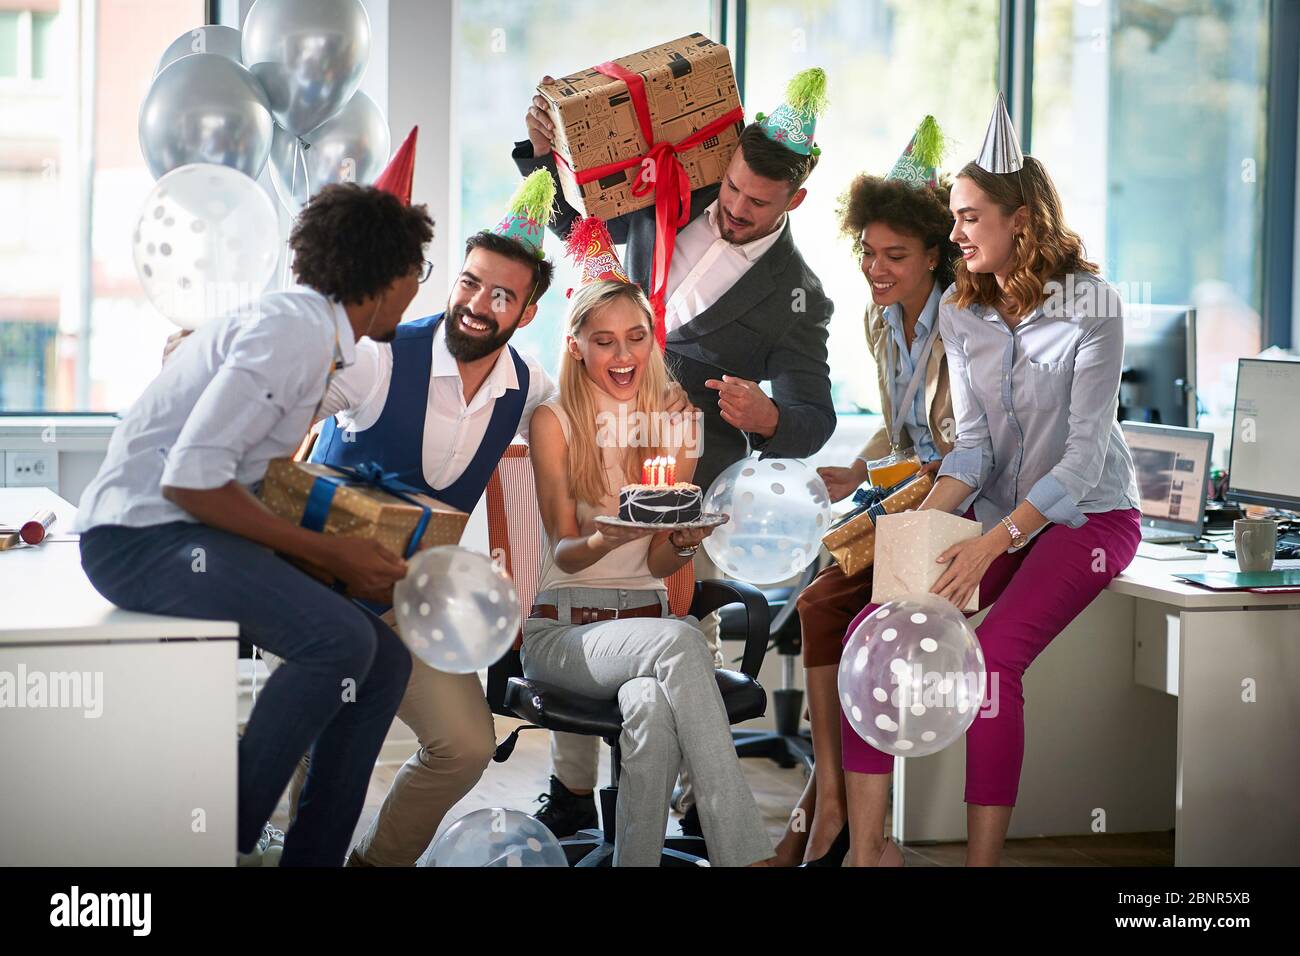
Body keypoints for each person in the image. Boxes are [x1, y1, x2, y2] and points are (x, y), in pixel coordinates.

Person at [516, 68, 838, 836]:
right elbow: (578, 222)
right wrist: (543, 148)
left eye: (757, 203)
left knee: (684, 626)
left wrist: (769, 415)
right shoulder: (673, 191)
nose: (735, 209)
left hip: (690, 484)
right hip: (596, 448)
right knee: (582, 601)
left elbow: (813, 414)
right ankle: (571, 793)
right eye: (731, 191)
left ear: (794, 200)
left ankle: (693, 805)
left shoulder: (799, 292)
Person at [75, 183, 431, 866]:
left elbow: (235, 480)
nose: (419, 285)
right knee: (337, 644)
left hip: (184, 533)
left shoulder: (311, 331)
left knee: (383, 660)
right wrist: (330, 552)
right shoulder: (293, 331)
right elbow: (191, 478)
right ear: (388, 278)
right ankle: (216, 844)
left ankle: (312, 857)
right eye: (421, 269)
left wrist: (332, 559)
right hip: (138, 539)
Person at [838, 94, 1141, 866]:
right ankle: (871, 853)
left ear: (1020, 221)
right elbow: (970, 448)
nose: (956, 231)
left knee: (994, 661)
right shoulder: (963, 312)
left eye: (970, 217)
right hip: (1000, 510)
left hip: (1090, 519)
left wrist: (991, 544)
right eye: (956, 217)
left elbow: (1081, 456)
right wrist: (919, 537)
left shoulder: (1092, 308)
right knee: (868, 632)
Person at [521, 231, 774, 866]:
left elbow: (661, 562)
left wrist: (682, 546)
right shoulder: (554, 421)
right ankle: (743, 851)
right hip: (567, 633)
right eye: (603, 341)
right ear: (577, 346)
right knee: (683, 639)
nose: (623, 353)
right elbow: (568, 551)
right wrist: (609, 532)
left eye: (636, 336)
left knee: (651, 711)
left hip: (649, 630)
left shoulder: (675, 417)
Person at [775, 117, 959, 866]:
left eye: (895, 256)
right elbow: (902, 429)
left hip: (953, 504)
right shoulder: (880, 321)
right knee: (818, 600)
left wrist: (895, 485)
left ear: (935, 256)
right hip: (906, 493)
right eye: (867, 251)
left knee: (834, 612)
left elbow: (959, 448)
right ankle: (828, 804)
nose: (875, 269)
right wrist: (860, 469)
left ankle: (829, 812)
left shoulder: (965, 326)